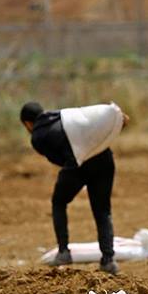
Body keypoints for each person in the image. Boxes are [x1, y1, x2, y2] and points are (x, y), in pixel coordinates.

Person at [20, 102, 127, 274]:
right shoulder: (58, 115)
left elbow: (58, 159)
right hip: (104, 159)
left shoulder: (37, 137)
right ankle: (108, 260)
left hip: (77, 166)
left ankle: (63, 252)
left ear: (27, 124)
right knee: (102, 210)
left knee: (58, 202)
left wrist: (78, 168)